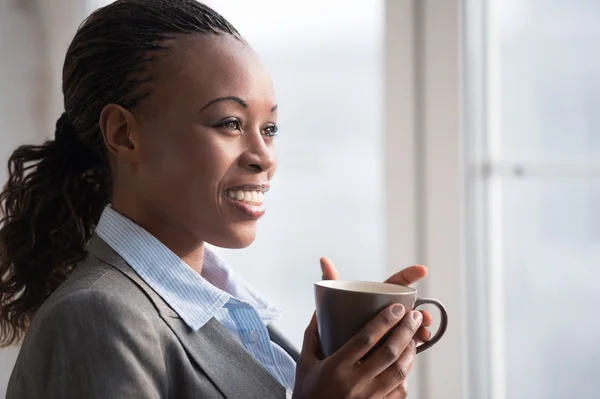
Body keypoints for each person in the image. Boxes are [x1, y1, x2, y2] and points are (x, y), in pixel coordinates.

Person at [0, 1, 434, 398]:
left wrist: (350, 362)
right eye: (229, 123)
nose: (264, 157)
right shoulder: (97, 317)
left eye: (269, 129)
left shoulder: (231, 313)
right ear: (123, 133)